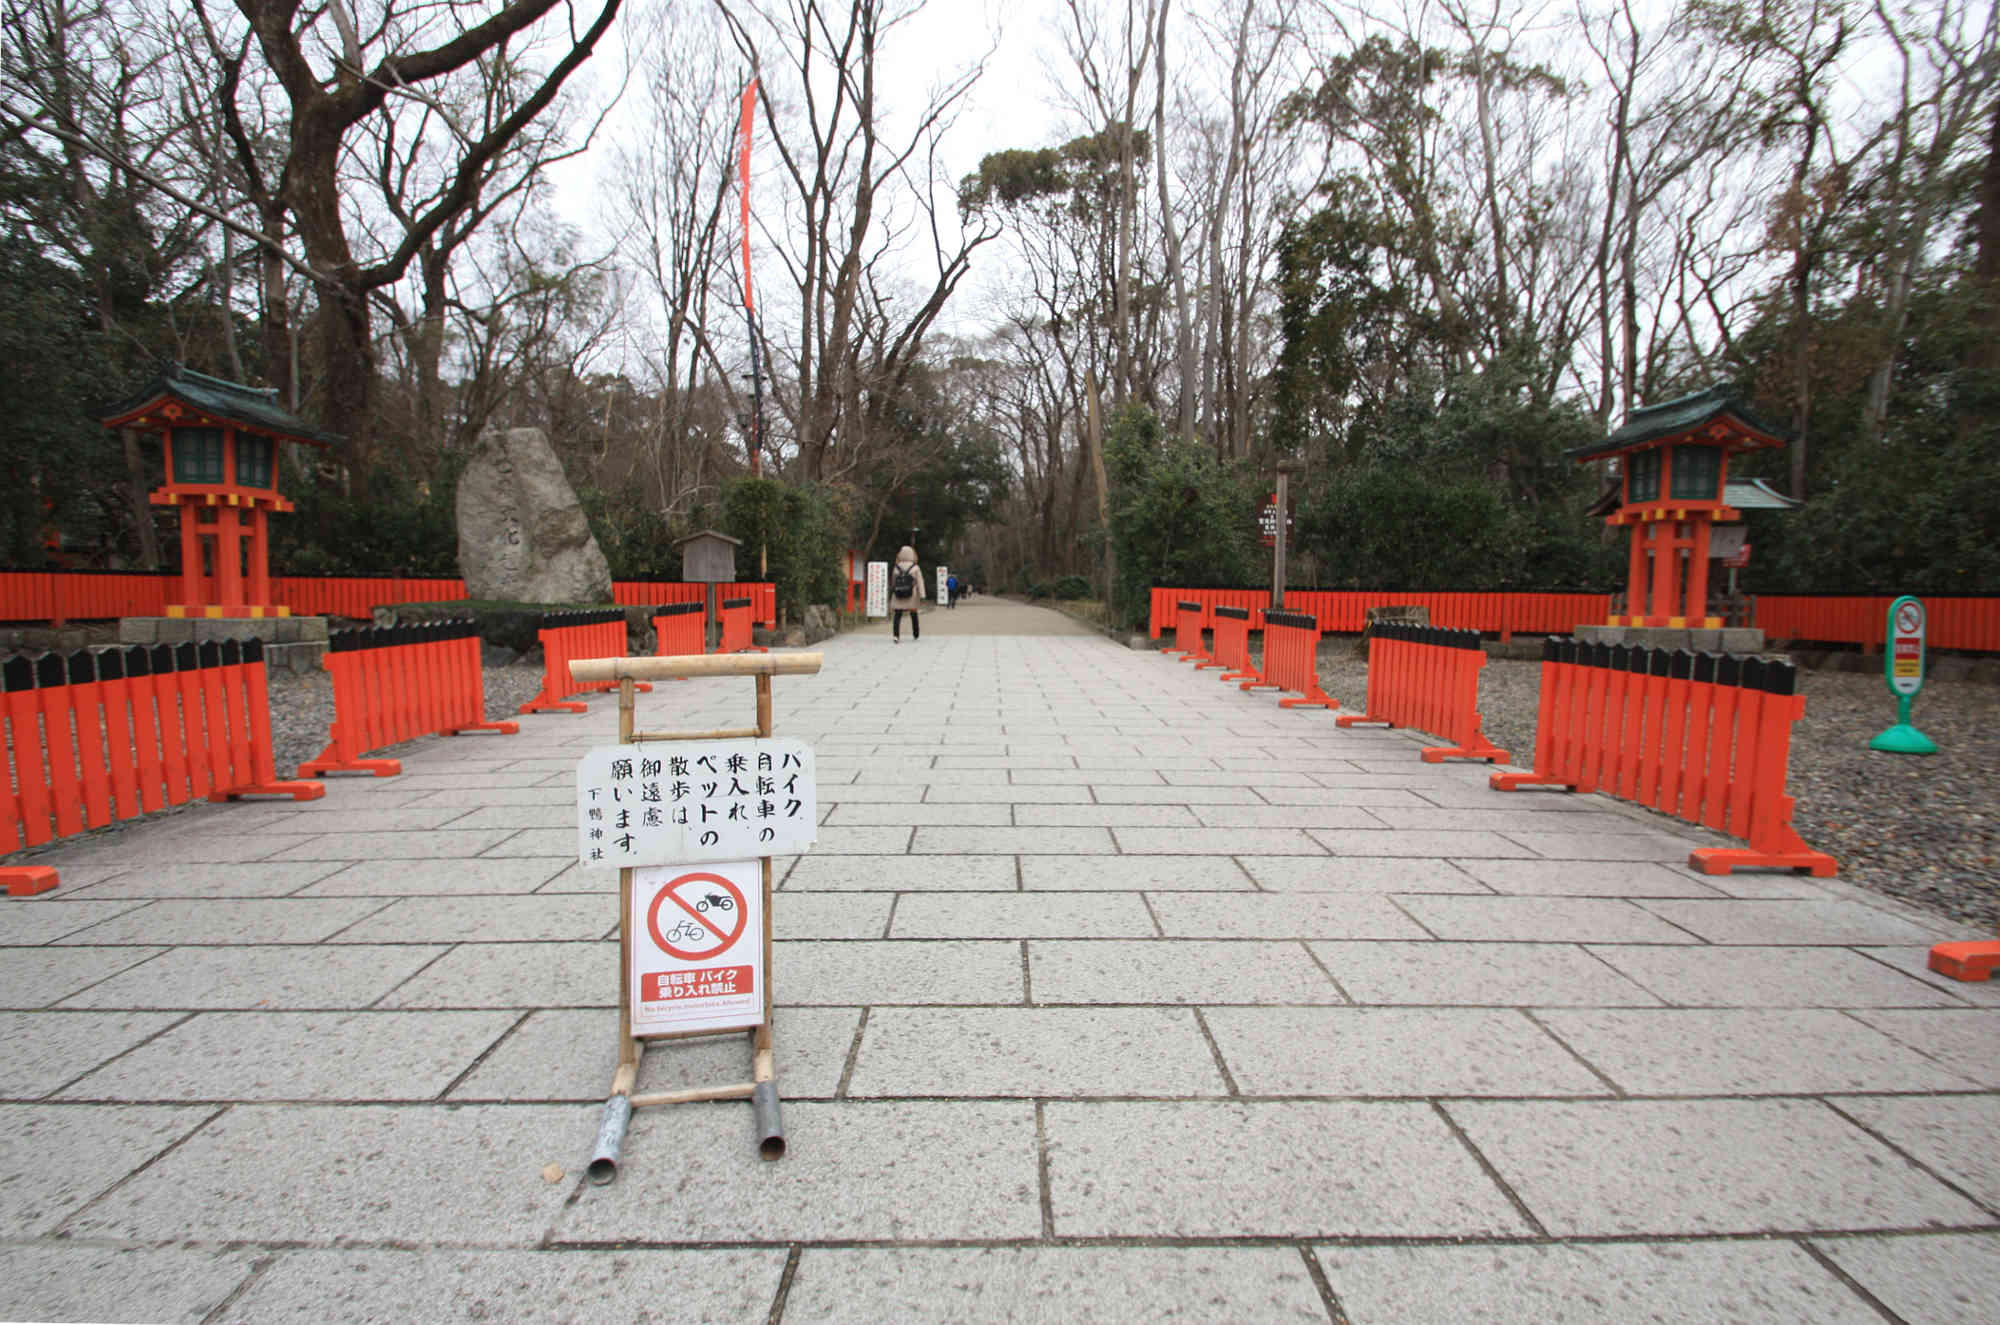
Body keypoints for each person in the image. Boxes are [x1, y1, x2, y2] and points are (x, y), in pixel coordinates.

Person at [889, 545, 925, 642]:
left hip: (899, 593)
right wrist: (922, 595)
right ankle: (916, 634)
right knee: (913, 613)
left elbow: (893, 582)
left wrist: (892, 590)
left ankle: (896, 635)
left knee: (897, 614)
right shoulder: (915, 567)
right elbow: (920, 581)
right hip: (911, 594)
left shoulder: (896, 567)